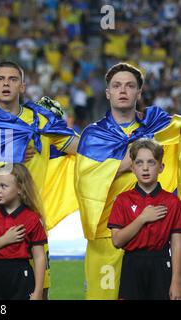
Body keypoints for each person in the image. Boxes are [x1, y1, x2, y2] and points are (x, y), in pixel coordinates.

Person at [0, 61, 79, 300]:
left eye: (12, 79)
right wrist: (12, 156)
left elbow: (81, 149)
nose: (6, 84)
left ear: (22, 86)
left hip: (30, 225)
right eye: (0, 79)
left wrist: (118, 151)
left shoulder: (41, 122)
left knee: (39, 294)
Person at [75, 62, 181, 299]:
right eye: (117, 85)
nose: (123, 90)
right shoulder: (93, 135)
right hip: (106, 236)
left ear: (139, 93)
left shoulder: (159, 126)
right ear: (107, 93)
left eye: (130, 86)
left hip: (152, 237)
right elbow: (85, 184)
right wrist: (126, 161)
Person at [108, 139, 181, 300]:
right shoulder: (122, 200)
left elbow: (176, 243)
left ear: (161, 167)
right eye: (139, 163)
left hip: (161, 264)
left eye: (151, 162)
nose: (145, 168)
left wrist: (177, 281)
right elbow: (117, 241)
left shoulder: (172, 202)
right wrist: (142, 218)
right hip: (132, 264)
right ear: (132, 167)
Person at [0, 164, 47, 300]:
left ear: (20, 188)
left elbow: (39, 257)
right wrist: (4, 240)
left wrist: (38, 292)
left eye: (3, 186)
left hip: (21, 276)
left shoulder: (32, 218)